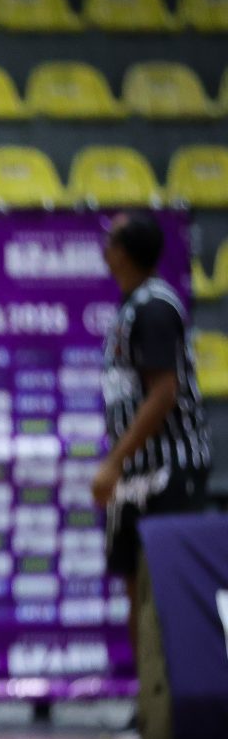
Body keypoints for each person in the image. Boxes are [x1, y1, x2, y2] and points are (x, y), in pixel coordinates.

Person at [93, 211, 212, 662]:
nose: (105, 249)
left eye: (111, 242)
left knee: (167, 588)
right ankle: (150, 693)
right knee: (135, 585)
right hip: (135, 474)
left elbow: (164, 393)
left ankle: (181, 691)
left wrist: (113, 462)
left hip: (169, 470)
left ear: (123, 253)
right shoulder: (130, 307)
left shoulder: (156, 307)